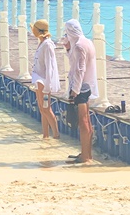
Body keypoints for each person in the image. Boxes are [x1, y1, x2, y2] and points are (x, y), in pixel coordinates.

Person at [64, 19, 98, 164]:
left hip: (81, 87)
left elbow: (79, 70)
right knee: (87, 122)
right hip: (87, 86)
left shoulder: (78, 46)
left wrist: (74, 91)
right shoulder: (87, 42)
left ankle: (85, 157)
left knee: (83, 122)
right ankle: (87, 154)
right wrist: (67, 48)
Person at [31, 19, 60, 139]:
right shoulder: (42, 43)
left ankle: (56, 135)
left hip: (44, 80)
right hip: (39, 79)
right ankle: (45, 135)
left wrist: (48, 85)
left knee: (46, 109)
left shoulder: (47, 45)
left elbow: (50, 66)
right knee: (42, 109)